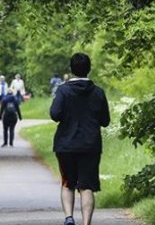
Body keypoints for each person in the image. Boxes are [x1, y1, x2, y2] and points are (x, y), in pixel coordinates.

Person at [50, 53, 110, 225]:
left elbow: (55, 114)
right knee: (87, 186)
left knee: (68, 183)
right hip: (90, 145)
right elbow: (105, 121)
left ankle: (69, 217)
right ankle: (86, 223)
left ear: (72, 69)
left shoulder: (63, 90)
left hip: (65, 145)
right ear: (89, 69)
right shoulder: (98, 92)